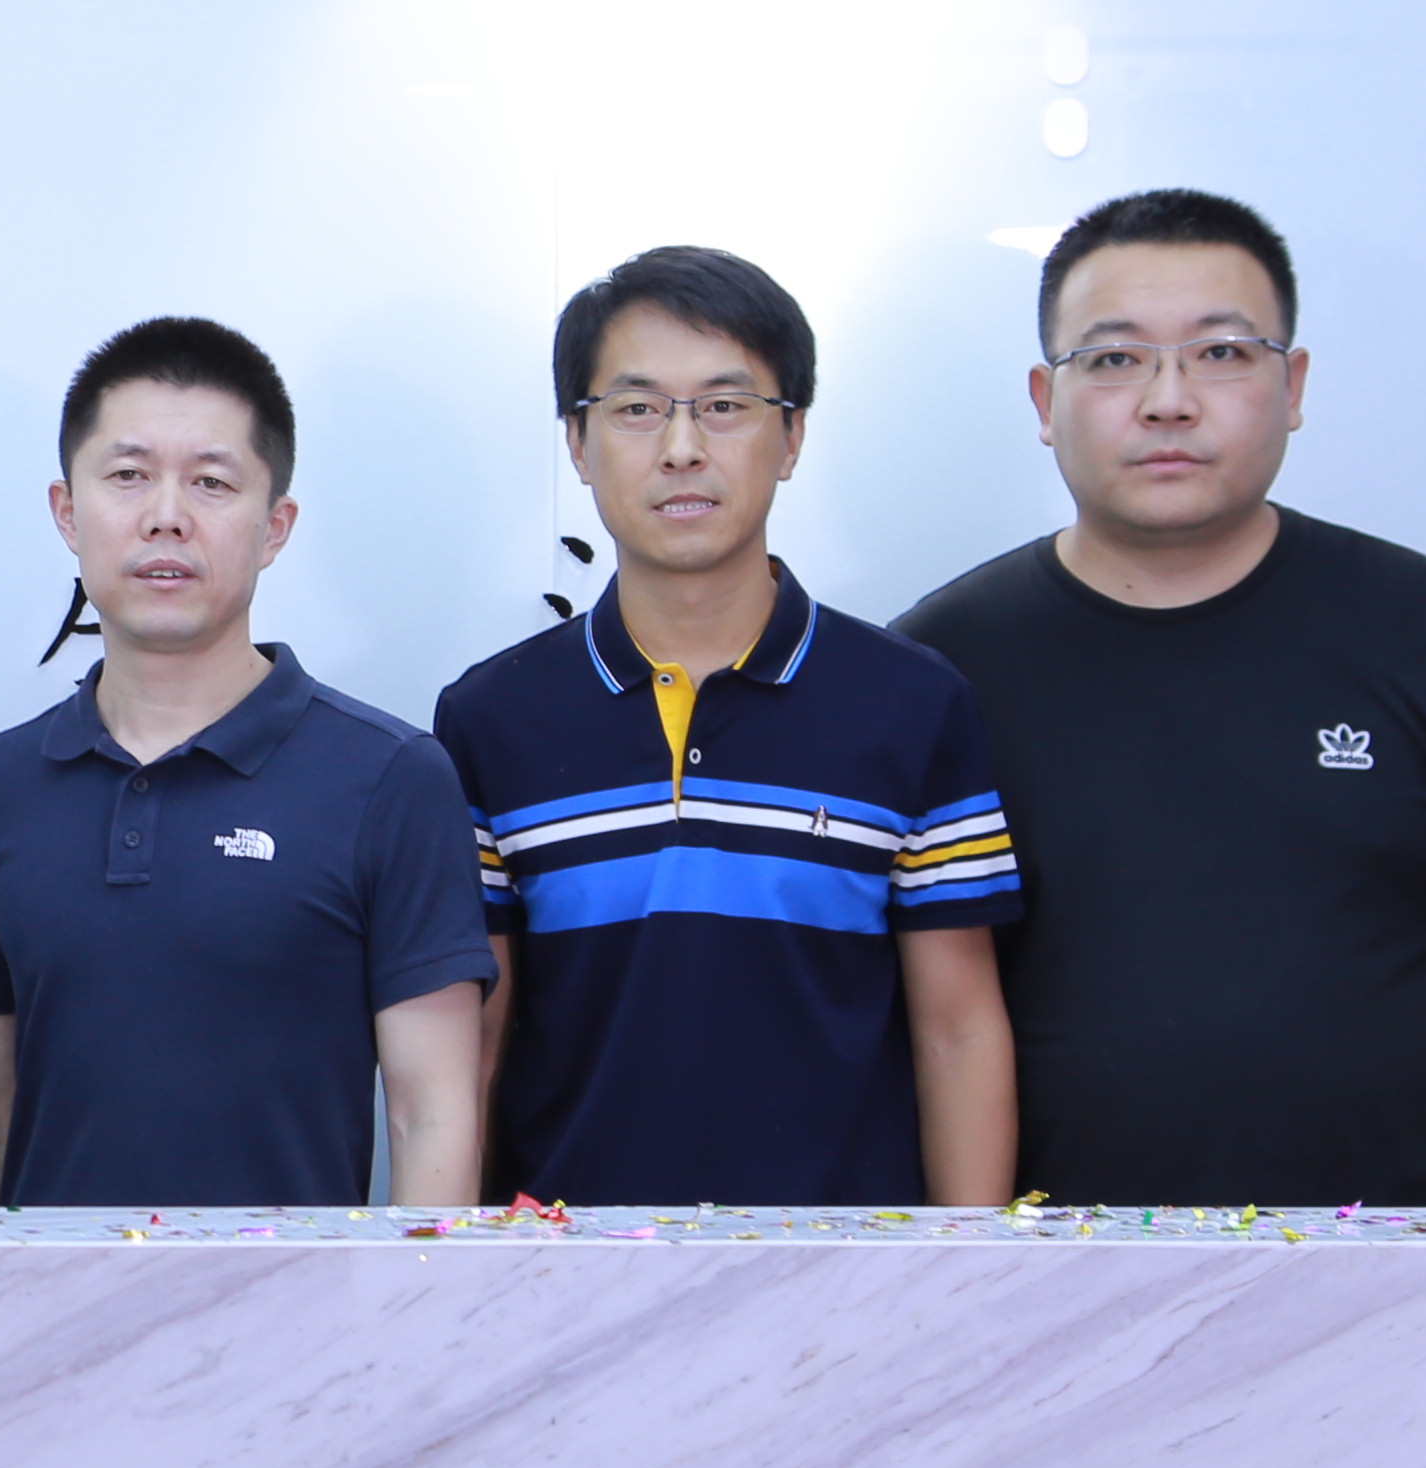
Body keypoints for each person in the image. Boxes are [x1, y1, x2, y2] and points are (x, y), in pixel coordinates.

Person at [899, 186, 1426, 1206]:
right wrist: (969, 1266)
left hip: (1385, 1264)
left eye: (1221, 352)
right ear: (1046, 402)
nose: (1168, 400)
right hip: (1056, 1265)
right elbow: (937, 1017)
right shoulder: (942, 664)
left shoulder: (1424, 626)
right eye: (1114, 359)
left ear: (1292, 385)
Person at [430, 247, 1018, 1206]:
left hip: (846, 1270)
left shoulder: (911, 704)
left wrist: (965, 1265)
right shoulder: (491, 721)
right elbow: (475, 1048)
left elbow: (957, 1032)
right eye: (636, 408)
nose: (681, 448)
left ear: (791, 438)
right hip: (569, 1265)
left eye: (726, 405)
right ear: (577, 442)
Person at [0, 321, 490, 1207]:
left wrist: (417, 1297)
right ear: (67, 512)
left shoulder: (391, 778)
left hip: (299, 1297)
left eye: (212, 482)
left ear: (275, 527)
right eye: (127, 475)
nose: (166, 515)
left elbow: (433, 1116)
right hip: (41, 1298)